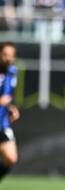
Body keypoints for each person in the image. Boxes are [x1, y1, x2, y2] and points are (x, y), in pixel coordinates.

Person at [0, 41, 19, 182]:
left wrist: (11, 108)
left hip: (2, 125)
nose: (8, 58)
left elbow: (7, 98)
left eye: (11, 56)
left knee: (11, 158)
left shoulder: (13, 72)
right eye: (5, 55)